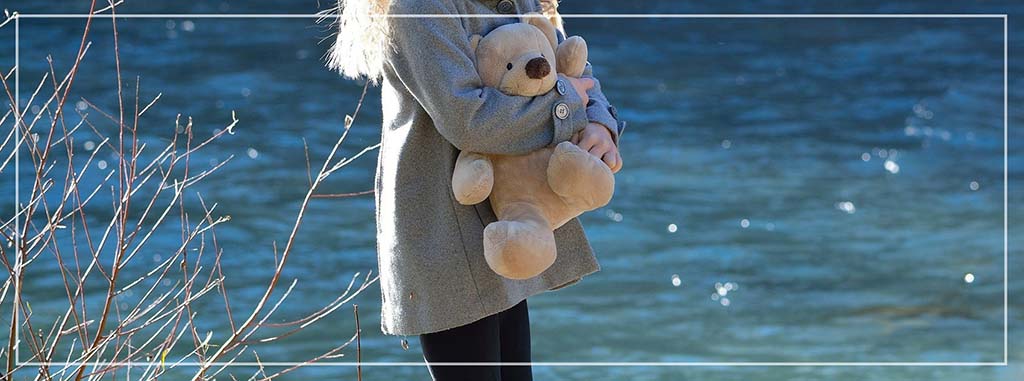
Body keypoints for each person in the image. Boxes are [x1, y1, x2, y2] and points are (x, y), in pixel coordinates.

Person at [328, 0, 624, 379]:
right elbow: (469, 120)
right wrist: (568, 105)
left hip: (503, 224)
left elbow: (571, 69)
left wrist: (599, 123)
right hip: (445, 243)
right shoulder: (421, 9)